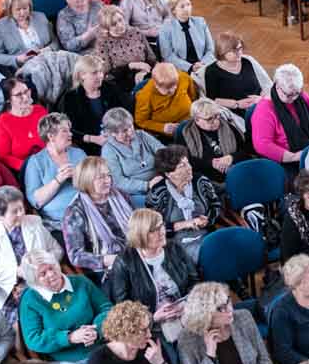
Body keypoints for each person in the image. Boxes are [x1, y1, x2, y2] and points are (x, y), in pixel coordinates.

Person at [18, 250, 111, 364]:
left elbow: (106, 308)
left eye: (52, 267)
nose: (51, 274)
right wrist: (69, 337)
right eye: (42, 274)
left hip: (100, 346)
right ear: (34, 280)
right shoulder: (30, 299)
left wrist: (97, 330)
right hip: (65, 361)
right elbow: (33, 339)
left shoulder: (80, 282)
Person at [103, 208, 198, 341]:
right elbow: (124, 309)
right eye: (153, 230)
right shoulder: (124, 262)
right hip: (151, 326)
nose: (161, 233)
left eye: (161, 226)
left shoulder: (174, 248)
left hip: (185, 310)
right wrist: (152, 317)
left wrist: (187, 304)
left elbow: (194, 280)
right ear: (140, 235)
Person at [0, 185, 58, 320]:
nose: (21, 214)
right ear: (0, 216)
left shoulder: (34, 222)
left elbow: (56, 249)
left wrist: (43, 264)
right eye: (14, 211)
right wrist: (16, 271)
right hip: (11, 292)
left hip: (43, 282)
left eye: (21, 208)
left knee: (54, 315)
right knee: (26, 322)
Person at [60, 157, 132, 278]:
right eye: (101, 177)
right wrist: (110, 260)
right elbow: (76, 256)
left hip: (134, 251)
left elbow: (138, 225)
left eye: (108, 175)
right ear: (86, 181)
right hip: (107, 267)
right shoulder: (74, 212)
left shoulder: (120, 195)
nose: (107, 181)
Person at [144, 145, 219, 259]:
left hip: (207, 234)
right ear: (169, 174)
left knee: (222, 248)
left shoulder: (200, 181)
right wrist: (186, 224)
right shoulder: (158, 192)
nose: (189, 168)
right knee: (209, 254)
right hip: (176, 242)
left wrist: (208, 219)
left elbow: (215, 205)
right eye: (182, 166)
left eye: (188, 163)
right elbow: (152, 226)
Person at [23, 113, 86, 228]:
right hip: (57, 222)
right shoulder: (36, 162)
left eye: (69, 130)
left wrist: (78, 177)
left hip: (87, 214)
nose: (70, 134)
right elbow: (36, 201)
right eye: (64, 131)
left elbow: (93, 184)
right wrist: (58, 180)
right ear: (51, 136)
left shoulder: (79, 154)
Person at [99, 107, 163, 206]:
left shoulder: (141, 135)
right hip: (135, 194)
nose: (130, 132)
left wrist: (167, 172)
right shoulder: (108, 150)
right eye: (124, 131)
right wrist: (147, 185)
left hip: (159, 181)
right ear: (113, 133)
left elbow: (164, 152)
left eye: (130, 126)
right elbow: (118, 182)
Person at [0, 0, 52, 72]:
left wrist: (49, 49)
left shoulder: (41, 17)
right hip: (25, 67)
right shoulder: (0, 26)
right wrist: (17, 59)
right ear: (10, 9)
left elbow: (55, 41)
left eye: (25, 8)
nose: (22, 13)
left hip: (49, 60)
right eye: (18, 9)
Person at [133, 60, 198, 137]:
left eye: (175, 85)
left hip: (192, 120)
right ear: (156, 86)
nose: (174, 89)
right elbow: (140, 121)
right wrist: (162, 127)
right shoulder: (145, 96)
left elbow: (193, 96)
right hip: (171, 131)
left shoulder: (183, 77)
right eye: (168, 89)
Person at [158, 0, 215, 74]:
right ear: (173, 10)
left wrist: (202, 64)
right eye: (182, 6)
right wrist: (190, 67)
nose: (187, 9)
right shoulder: (165, 29)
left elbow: (210, 49)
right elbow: (168, 56)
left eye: (188, 5)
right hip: (181, 69)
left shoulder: (200, 22)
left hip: (204, 65)